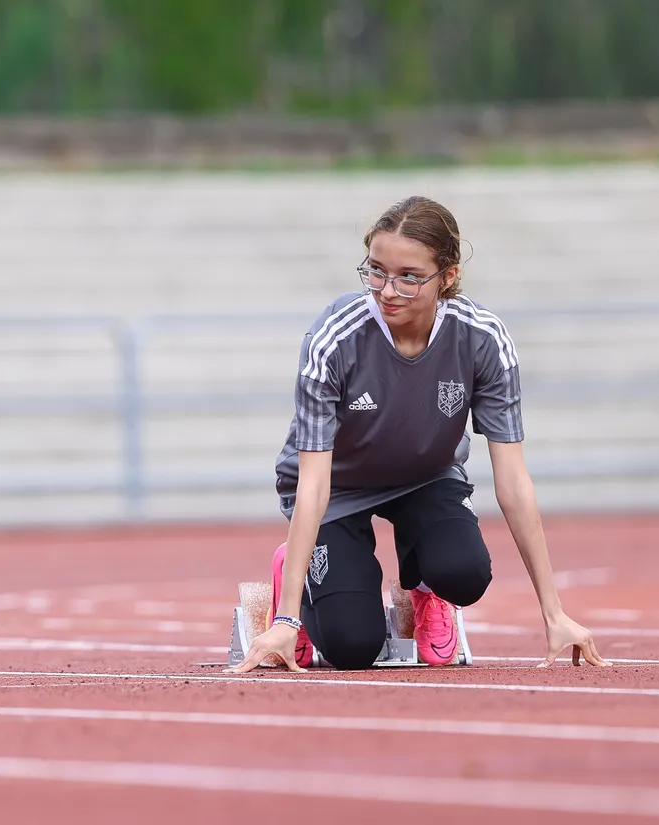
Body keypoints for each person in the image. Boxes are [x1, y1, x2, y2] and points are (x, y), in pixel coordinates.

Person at [228, 196, 609, 673]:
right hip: (339, 488)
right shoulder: (335, 337)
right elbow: (314, 482)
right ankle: (298, 584)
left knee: (465, 573)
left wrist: (554, 614)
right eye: (376, 271)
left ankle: (426, 595)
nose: (388, 291)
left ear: (446, 277)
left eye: (409, 276)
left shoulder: (482, 339)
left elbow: (513, 481)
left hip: (426, 479)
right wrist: (284, 617)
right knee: (351, 648)